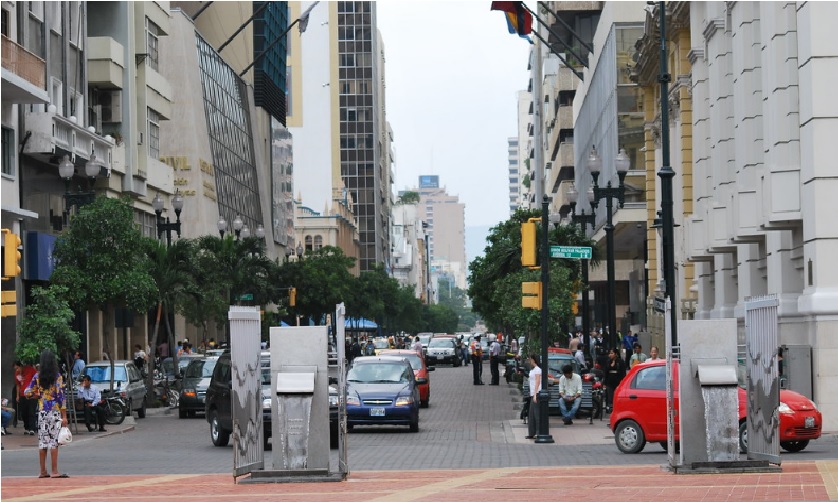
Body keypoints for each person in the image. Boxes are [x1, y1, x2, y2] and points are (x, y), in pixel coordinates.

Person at [24, 350, 69, 478]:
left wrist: (36, 395)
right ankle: (54, 471)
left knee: (43, 442)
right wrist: (64, 416)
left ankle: (43, 471)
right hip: (54, 412)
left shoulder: (37, 376)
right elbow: (61, 397)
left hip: (42, 412)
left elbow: (27, 392)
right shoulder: (57, 376)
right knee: (54, 441)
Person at [15, 360, 37, 436]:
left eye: (17, 368)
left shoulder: (30, 369)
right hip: (22, 395)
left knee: (31, 411)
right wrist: (17, 395)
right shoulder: (17, 374)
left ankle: (32, 428)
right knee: (24, 412)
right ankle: (26, 427)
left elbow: (37, 380)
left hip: (32, 394)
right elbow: (18, 385)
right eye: (15, 369)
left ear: (21, 366)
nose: (17, 370)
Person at [603, 348, 626, 414]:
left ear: (616, 354)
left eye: (612, 353)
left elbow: (623, 372)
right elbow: (605, 372)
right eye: (610, 353)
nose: (610, 355)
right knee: (610, 396)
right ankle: (610, 408)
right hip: (609, 382)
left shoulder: (620, 361)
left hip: (618, 381)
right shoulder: (608, 361)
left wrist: (622, 381)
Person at [525, 354, 542, 439]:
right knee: (531, 414)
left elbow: (537, 382)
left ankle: (538, 432)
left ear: (534, 360)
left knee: (536, 414)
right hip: (532, 393)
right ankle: (531, 432)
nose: (529, 361)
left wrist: (535, 394)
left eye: (530, 360)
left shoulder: (538, 370)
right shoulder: (532, 370)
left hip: (536, 393)